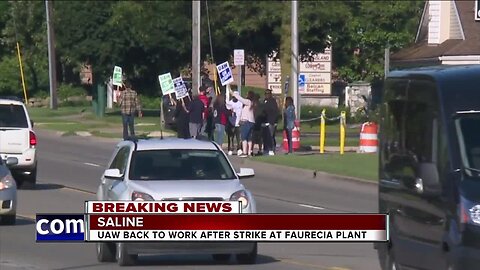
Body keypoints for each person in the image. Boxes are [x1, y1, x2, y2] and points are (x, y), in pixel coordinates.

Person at [231, 90, 256, 157]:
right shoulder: (252, 103)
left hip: (246, 122)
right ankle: (249, 152)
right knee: (249, 138)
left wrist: (234, 94)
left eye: (247, 94)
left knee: (244, 137)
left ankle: (244, 152)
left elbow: (241, 99)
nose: (246, 95)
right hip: (251, 122)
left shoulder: (248, 102)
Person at [262, 89, 279, 155]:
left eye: (268, 93)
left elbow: (275, 112)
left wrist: (274, 122)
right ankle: (266, 149)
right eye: (266, 93)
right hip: (264, 122)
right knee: (265, 137)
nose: (267, 95)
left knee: (271, 136)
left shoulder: (272, 101)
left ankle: (272, 149)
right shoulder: (264, 101)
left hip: (271, 122)